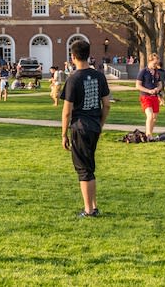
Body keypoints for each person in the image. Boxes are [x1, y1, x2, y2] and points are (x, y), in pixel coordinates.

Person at [61, 40, 111, 218]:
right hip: (94, 126)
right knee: (89, 166)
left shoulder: (73, 79)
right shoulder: (99, 76)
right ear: (88, 54)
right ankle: (94, 205)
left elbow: (67, 111)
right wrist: (100, 124)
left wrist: (63, 134)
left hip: (80, 128)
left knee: (83, 169)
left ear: (72, 56)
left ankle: (89, 210)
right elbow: (106, 105)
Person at [136, 54, 163, 140]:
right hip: (145, 97)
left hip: (154, 97)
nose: (156, 65)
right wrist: (148, 91)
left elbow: (160, 84)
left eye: (157, 63)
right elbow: (137, 85)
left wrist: (157, 89)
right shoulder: (143, 71)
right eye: (155, 63)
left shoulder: (157, 72)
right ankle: (148, 135)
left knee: (154, 118)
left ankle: (150, 134)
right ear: (150, 61)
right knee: (150, 116)